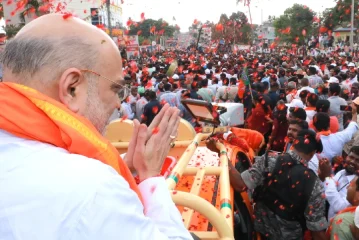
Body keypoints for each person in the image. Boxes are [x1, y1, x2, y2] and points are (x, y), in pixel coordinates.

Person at [0, 14, 192, 239]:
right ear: (72, 89)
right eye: (115, 89)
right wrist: (150, 177)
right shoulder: (93, 190)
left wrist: (121, 166)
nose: (118, 103)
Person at [207, 130, 328, 240]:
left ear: (293, 144)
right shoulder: (315, 183)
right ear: (312, 153)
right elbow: (317, 231)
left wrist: (221, 153)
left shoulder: (270, 160)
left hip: (261, 232)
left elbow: (239, 184)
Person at [319, 146, 359, 219]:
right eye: (351, 157)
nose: (352, 162)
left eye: (358, 161)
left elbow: (340, 207)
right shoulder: (342, 172)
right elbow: (327, 191)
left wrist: (327, 177)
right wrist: (322, 175)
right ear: (346, 157)